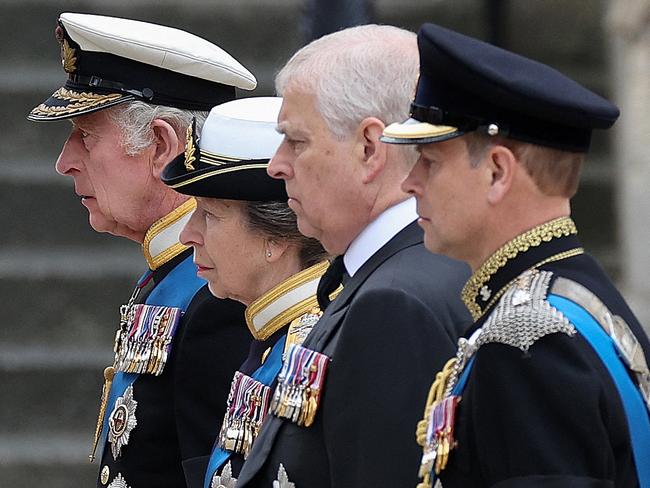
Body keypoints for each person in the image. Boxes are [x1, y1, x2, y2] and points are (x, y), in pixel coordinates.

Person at [382, 23, 650, 488]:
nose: (410, 184)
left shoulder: (526, 344)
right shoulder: (577, 294)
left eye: (430, 162)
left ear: (497, 171)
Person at [236, 25, 471, 488]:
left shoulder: (395, 304)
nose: (276, 165)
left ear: (369, 147)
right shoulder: (399, 273)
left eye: (296, 141)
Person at [27, 13, 256, 488]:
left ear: (160, 144)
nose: (64, 162)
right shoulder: (173, 276)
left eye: (86, 137)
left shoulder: (220, 292)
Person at [162, 96, 330, 488]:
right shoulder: (270, 340)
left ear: (275, 237)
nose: (189, 234)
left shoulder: (317, 344)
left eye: (210, 215)